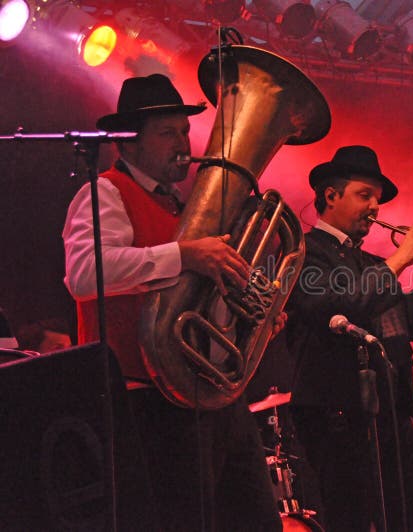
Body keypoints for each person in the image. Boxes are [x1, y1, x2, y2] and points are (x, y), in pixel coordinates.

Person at [62, 73, 282, 531]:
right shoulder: (103, 191)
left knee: (257, 522)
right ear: (128, 144)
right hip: (145, 401)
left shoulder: (184, 210)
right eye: (167, 133)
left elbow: (196, 304)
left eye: (184, 131)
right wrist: (184, 254)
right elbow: (84, 275)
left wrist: (251, 323)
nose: (183, 143)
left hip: (212, 397)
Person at [285, 145, 413, 532]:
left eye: (377, 198)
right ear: (330, 196)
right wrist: (399, 262)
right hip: (337, 418)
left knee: (408, 522)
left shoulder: (371, 264)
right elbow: (337, 307)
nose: (375, 206)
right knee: (351, 521)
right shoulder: (304, 255)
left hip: (391, 414)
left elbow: (411, 325)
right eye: (365, 195)